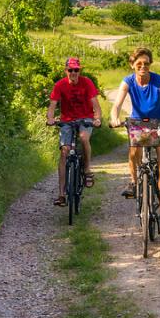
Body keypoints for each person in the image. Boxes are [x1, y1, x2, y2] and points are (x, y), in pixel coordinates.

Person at [109, 47, 160, 236]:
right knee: (134, 152)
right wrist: (115, 118)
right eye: (139, 64)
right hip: (139, 125)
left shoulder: (159, 81)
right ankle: (133, 182)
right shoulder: (128, 81)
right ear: (132, 65)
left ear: (150, 65)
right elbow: (116, 104)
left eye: (146, 64)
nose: (143, 67)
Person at [46, 57, 102, 207]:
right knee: (64, 151)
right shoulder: (60, 85)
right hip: (67, 120)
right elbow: (52, 106)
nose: (73, 73)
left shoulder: (87, 83)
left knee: (84, 137)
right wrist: (50, 119)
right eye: (70, 70)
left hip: (86, 118)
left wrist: (97, 119)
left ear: (79, 71)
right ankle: (61, 194)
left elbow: (96, 105)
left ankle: (87, 169)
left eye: (76, 70)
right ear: (66, 71)